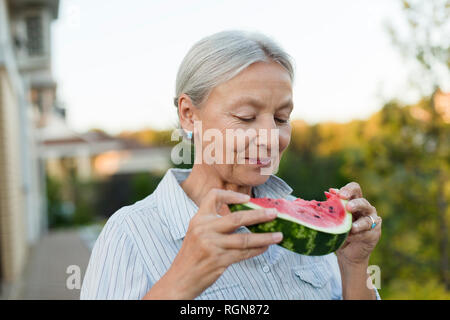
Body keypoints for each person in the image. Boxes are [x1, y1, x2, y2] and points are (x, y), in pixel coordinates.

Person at [80, 30, 382, 300]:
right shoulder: (130, 234)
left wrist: (354, 266)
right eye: (246, 117)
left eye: (281, 118)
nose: (269, 138)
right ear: (189, 115)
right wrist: (181, 280)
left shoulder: (307, 230)